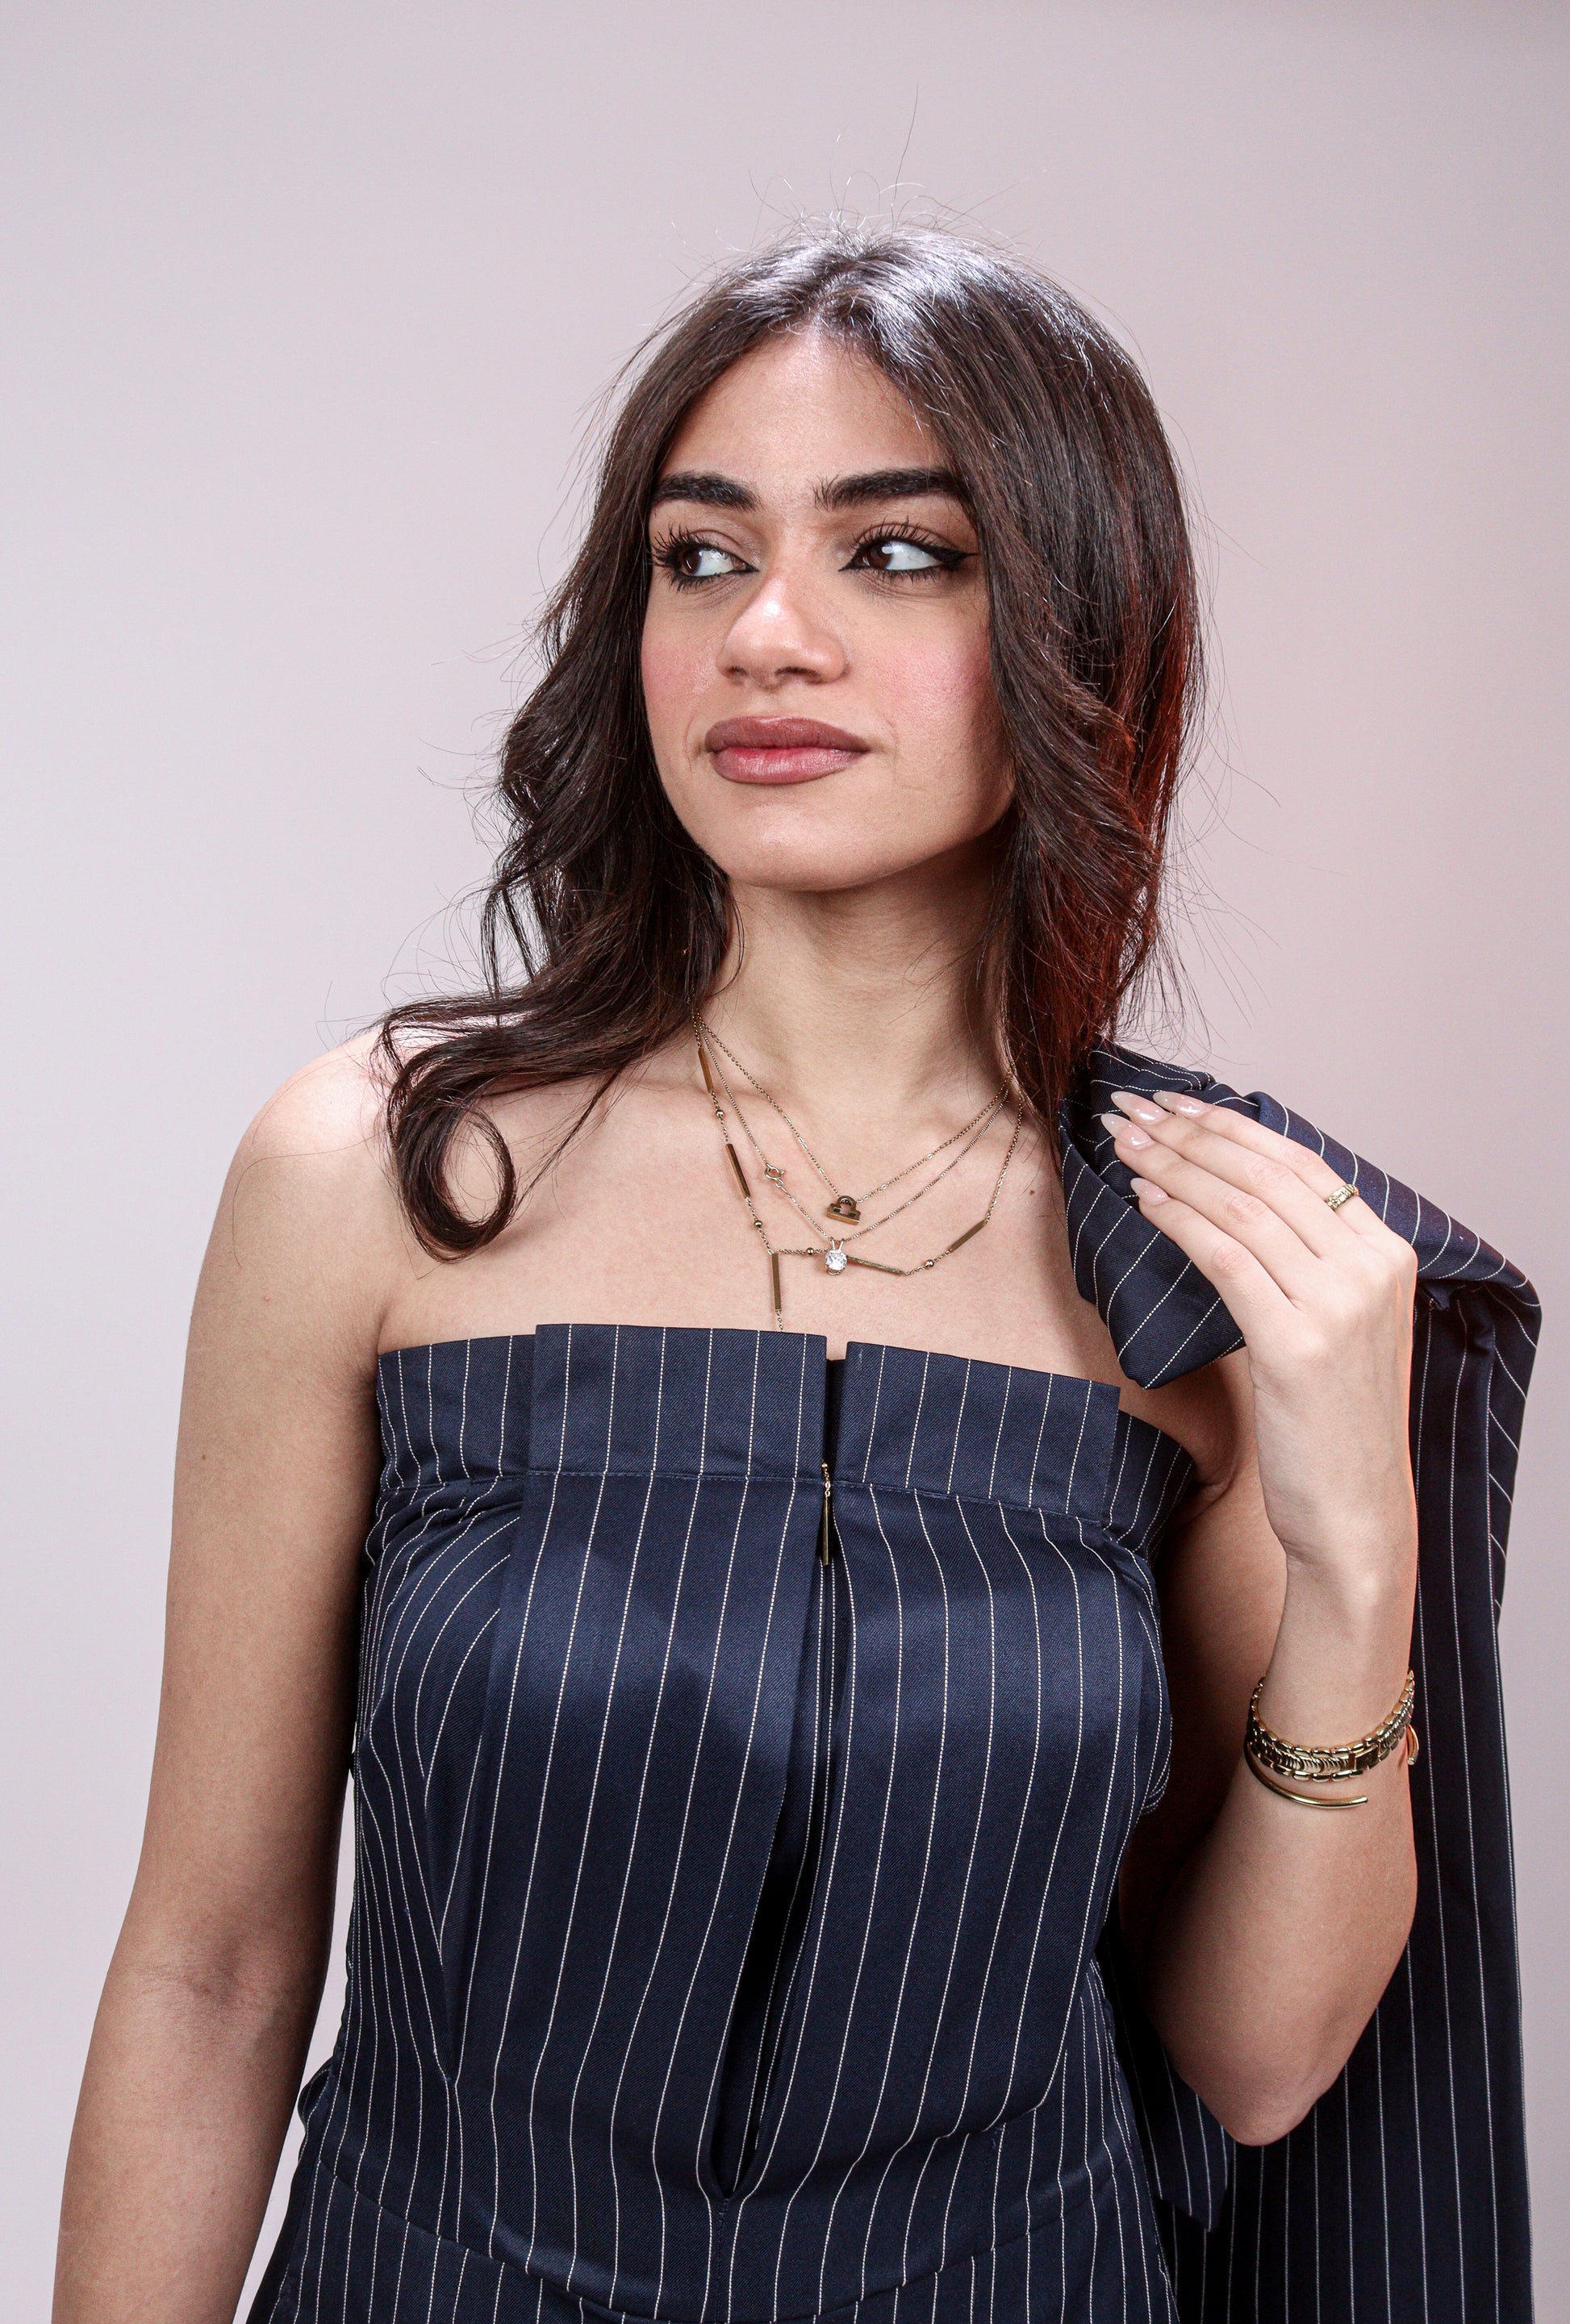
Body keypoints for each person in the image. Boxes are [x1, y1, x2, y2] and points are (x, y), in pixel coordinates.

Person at [52, 223, 1538, 2324]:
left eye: (896, 554)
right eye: (701, 555)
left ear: (1084, 632)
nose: (767, 633)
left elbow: (1256, 2059)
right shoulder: (381, 1175)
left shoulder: (1204, 1271)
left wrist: (1357, 1563)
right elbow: (207, 1970)